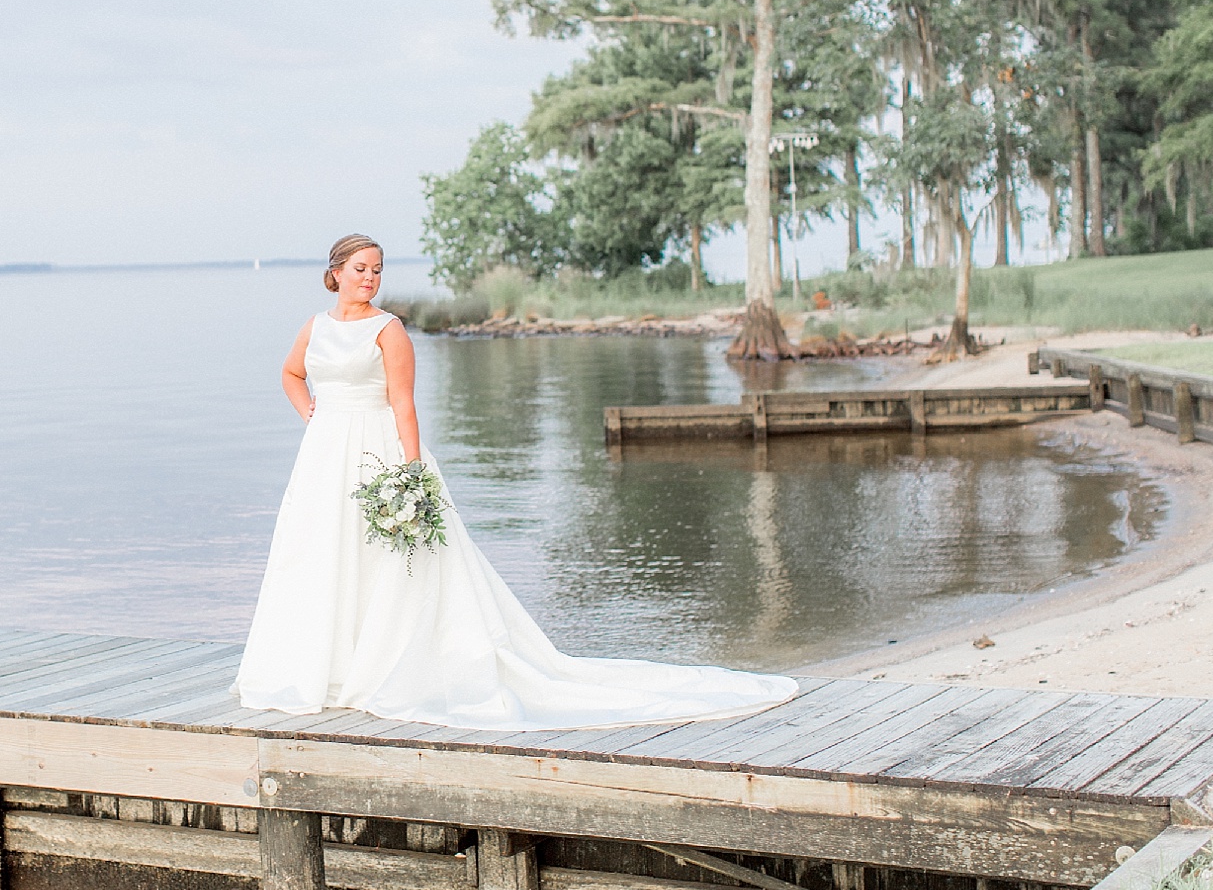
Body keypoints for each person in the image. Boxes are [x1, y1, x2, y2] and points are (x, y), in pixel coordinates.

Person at [233, 234, 798, 730]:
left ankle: (386, 664)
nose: (371, 279)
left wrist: (410, 475)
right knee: (322, 552)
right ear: (335, 273)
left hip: (379, 450)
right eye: (361, 269)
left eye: (378, 269)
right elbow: (290, 373)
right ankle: (327, 663)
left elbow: (403, 405)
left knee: (391, 559)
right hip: (324, 454)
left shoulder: (390, 330)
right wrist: (312, 414)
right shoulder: (315, 326)